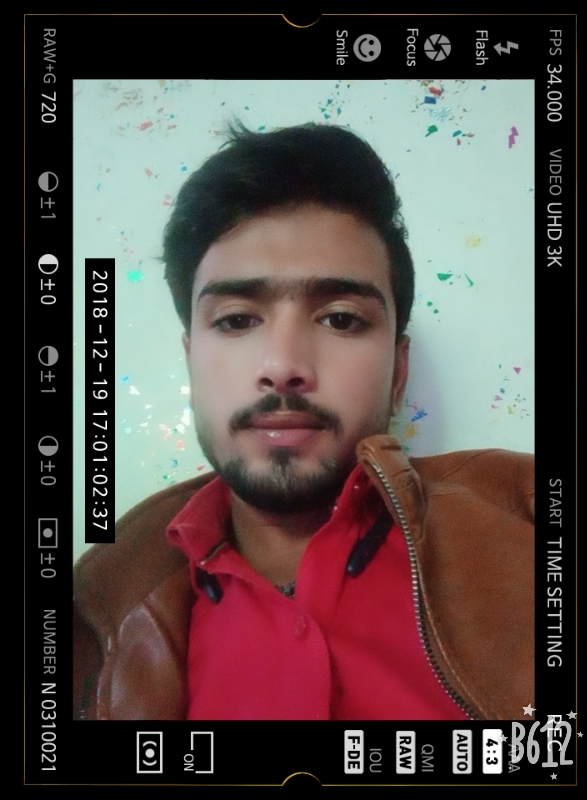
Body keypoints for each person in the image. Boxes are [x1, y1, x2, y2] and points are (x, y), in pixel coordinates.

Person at [73, 123, 534, 721]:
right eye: (237, 320)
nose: (282, 366)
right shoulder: (90, 617)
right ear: (191, 361)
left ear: (398, 372)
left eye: (340, 319)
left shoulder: (529, 528)